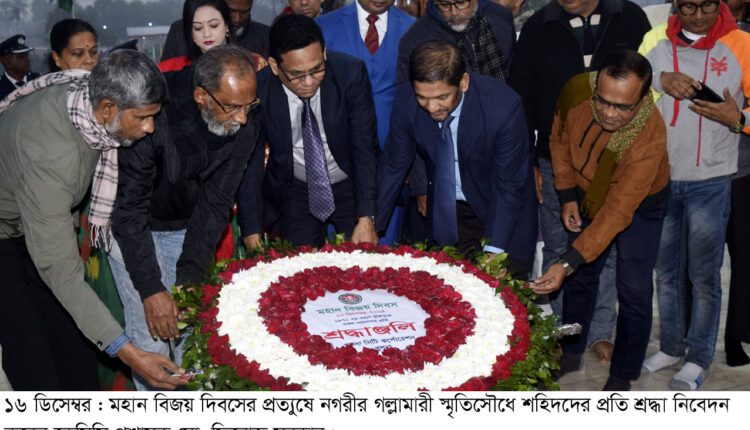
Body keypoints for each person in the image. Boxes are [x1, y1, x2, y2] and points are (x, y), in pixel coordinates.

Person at [0, 50, 185, 391]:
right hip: (5, 229)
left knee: (73, 343)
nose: (150, 127)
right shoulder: (52, 160)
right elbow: (62, 273)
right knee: (29, 346)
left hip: (36, 215)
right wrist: (133, 355)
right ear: (107, 109)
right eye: (143, 117)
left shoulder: (88, 93)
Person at [108, 45, 262, 391]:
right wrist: (151, 289)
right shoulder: (152, 113)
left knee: (188, 330)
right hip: (135, 228)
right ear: (201, 96)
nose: (242, 119)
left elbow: (216, 203)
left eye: (249, 105)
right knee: (151, 337)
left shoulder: (246, 115)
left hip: (187, 224)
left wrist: (189, 275)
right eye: (232, 107)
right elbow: (130, 210)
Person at [509, 0, 651, 362]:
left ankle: (600, 330)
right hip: (555, 157)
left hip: (615, 161)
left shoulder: (630, 17)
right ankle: (561, 331)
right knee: (558, 244)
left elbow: (648, 95)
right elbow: (522, 99)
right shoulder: (538, 26)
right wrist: (531, 161)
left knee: (608, 247)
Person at [532, 50, 669, 391]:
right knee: (581, 278)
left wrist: (568, 260)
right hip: (586, 190)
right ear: (596, 84)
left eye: (621, 107)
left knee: (633, 287)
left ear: (642, 100)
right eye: (603, 101)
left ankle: (623, 372)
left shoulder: (649, 135)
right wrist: (566, 195)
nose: (608, 113)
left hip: (640, 204)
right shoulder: (576, 92)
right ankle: (570, 352)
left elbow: (618, 211)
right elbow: (558, 140)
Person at [639, 0, 750, 390]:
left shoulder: (739, 44)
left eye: (707, 5)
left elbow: (743, 113)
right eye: (689, 6)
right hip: (663, 178)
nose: (699, 15)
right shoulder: (659, 45)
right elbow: (631, 87)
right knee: (666, 273)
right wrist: (660, 79)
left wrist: (739, 118)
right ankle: (671, 346)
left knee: (704, 276)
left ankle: (699, 357)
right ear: (676, 6)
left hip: (712, 180)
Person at [377, 40, 536, 270]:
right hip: (449, 213)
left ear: (463, 82)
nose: (431, 107)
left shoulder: (502, 109)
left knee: (497, 289)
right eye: (422, 97)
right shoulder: (406, 100)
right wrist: (371, 221)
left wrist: (494, 251)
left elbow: (508, 186)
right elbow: (393, 164)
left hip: (501, 212)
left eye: (442, 97)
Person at [237, 14, 379, 249]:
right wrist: (251, 228)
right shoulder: (260, 89)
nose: (309, 82)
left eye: (317, 69)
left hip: (350, 183)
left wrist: (367, 216)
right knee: (299, 266)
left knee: (362, 263)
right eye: (296, 74)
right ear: (275, 66)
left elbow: (364, 148)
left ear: (324, 53)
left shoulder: (350, 74)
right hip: (296, 189)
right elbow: (250, 161)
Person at [317, 0, 415, 244]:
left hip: (395, 151)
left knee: (386, 234)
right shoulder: (324, 26)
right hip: (339, 149)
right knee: (338, 239)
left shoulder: (413, 28)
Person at [722, 0, 750, 368]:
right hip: (688, 172)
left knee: (743, 257)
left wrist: (739, 118)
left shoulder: (743, 43)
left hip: (741, 169)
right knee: (694, 266)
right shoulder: (666, 42)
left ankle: (735, 335)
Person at [396, 0, 516, 83]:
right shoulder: (416, 39)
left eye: (461, 2)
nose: (454, 13)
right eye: (444, 5)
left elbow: (514, 75)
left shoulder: (499, 18)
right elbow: (407, 95)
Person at [162, 0, 270, 61]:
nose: (237, 19)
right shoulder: (178, 31)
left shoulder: (264, 37)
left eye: (244, 12)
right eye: (231, 11)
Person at [0, 34, 41, 100]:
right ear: (7, 62)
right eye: (21, 56)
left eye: (27, 55)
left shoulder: (38, 80)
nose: (27, 59)